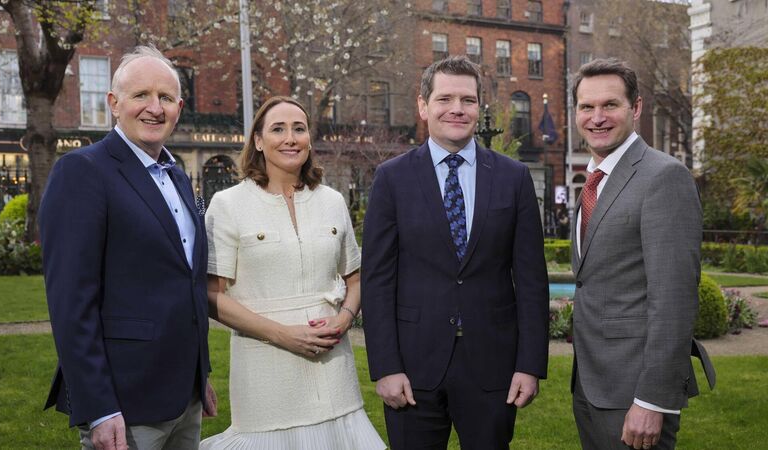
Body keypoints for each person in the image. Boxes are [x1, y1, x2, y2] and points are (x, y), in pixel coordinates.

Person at [361, 55, 550, 449]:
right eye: (445, 99)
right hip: (413, 367)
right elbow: (377, 280)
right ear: (423, 105)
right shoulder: (392, 178)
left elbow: (532, 280)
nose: (457, 109)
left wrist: (530, 365)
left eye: (468, 100)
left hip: (493, 366)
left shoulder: (514, 178)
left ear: (479, 107)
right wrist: (386, 367)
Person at [40, 45, 215, 450]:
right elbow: (71, 303)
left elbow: (186, 283)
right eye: (141, 95)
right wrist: (99, 408)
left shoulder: (177, 176)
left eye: (165, 97)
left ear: (179, 108)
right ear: (114, 104)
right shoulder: (83, 171)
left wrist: (199, 375)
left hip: (183, 396)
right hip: (124, 402)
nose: (154, 108)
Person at [200, 96, 385, 449]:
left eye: (299, 129)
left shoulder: (332, 200)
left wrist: (344, 319)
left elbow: (356, 277)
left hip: (334, 374)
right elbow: (211, 295)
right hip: (265, 375)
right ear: (258, 140)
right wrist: (283, 335)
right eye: (278, 129)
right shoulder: (228, 205)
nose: (290, 138)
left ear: (309, 140)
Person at [570, 58, 715, 450]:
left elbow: (674, 298)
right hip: (591, 384)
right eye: (586, 106)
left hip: (635, 391)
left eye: (610, 105)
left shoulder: (663, 177)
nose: (597, 117)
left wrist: (652, 400)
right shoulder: (594, 181)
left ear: (635, 108)